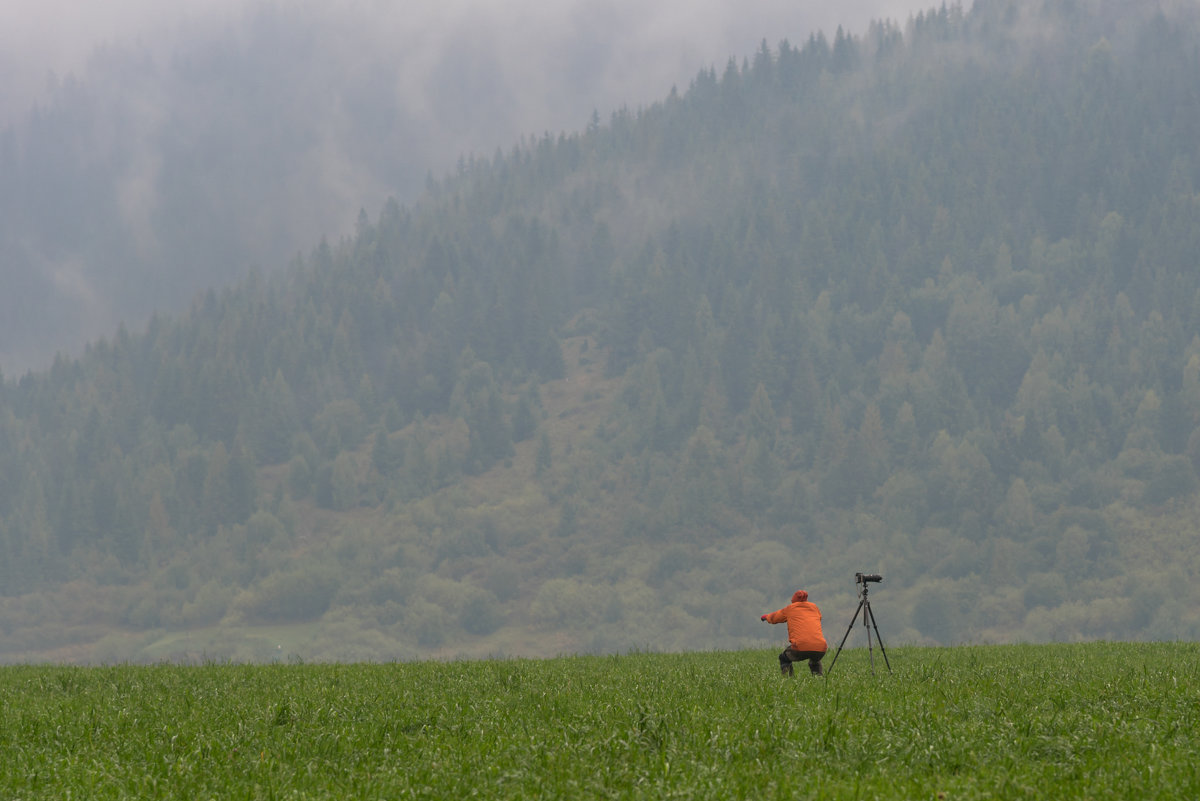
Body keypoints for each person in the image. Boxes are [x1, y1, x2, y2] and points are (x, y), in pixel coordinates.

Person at [761, 590, 828, 676]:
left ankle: (789, 680)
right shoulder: (814, 608)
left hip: (800, 646)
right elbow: (819, 618)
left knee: (784, 658)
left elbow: (775, 617)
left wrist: (766, 617)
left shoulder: (791, 608)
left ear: (794, 599)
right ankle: (819, 680)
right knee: (815, 660)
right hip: (821, 647)